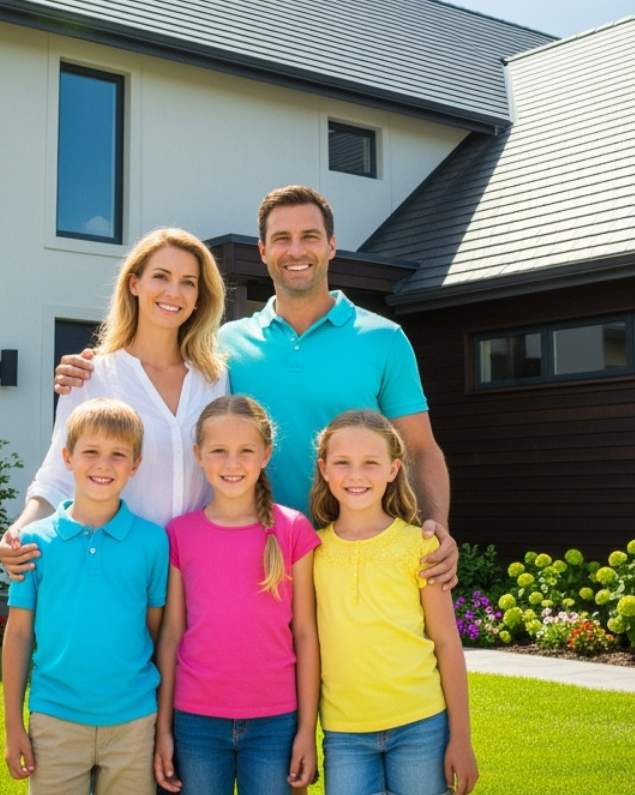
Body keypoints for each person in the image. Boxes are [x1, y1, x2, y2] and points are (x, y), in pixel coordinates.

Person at [56, 186, 459, 587]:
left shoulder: (384, 339)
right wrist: (92, 367)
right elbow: (153, 361)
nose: (296, 250)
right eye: (281, 238)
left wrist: (435, 528)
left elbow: (420, 450)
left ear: (332, 246)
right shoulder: (223, 347)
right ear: (263, 252)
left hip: (358, 557)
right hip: (255, 564)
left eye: (310, 237)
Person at [1, 227, 229, 578]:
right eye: (161, 276)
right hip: (118, 574)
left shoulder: (215, 379)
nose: (173, 292)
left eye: (188, 282)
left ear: (200, 296)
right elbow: (59, 476)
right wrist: (19, 531)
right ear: (134, 284)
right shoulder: (92, 375)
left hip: (200, 574)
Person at [2, 398, 170, 795]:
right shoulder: (33, 541)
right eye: (91, 452)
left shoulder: (153, 541)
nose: (103, 464)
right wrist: (13, 724)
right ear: (67, 457)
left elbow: (155, 630)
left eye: (118, 454)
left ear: (135, 464)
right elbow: (20, 634)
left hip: (133, 721)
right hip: (55, 719)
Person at [154, 395, 320, 795]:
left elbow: (306, 635)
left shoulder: (294, 528)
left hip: (276, 721)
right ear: (198, 454)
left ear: (266, 453)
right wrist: (163, 728)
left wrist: (305, 730)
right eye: (219, 451)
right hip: (195, 719)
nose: (232, 463)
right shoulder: (180, 533)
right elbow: (172, 634)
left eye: (245, 451)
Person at [310, 409, 477, 795]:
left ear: (393, 469)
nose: (356, 474)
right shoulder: (311, 551)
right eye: (342, 463)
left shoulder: (420, 545)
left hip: (421, 725)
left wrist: (461, 738)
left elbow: (448, 644)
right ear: (323, 469)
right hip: (344, 732)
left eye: (371, 462)